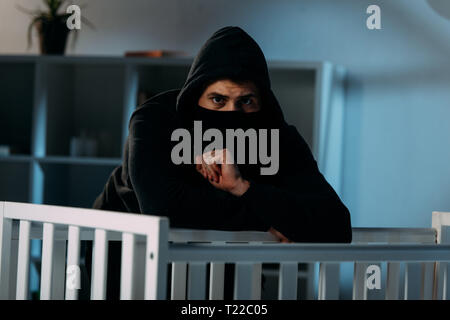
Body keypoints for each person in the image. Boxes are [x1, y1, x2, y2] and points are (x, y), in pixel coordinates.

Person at [89, 26, 352, 299]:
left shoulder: (278, 135)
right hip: (128, 251)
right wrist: (266, 219)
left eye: (246, 101)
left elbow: (337, 225)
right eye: (218, 100)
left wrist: (244, 187)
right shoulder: (154, 119)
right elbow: (161, 206)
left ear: (262, 101)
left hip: (225, 260)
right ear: (196, 95)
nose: (232, 113)